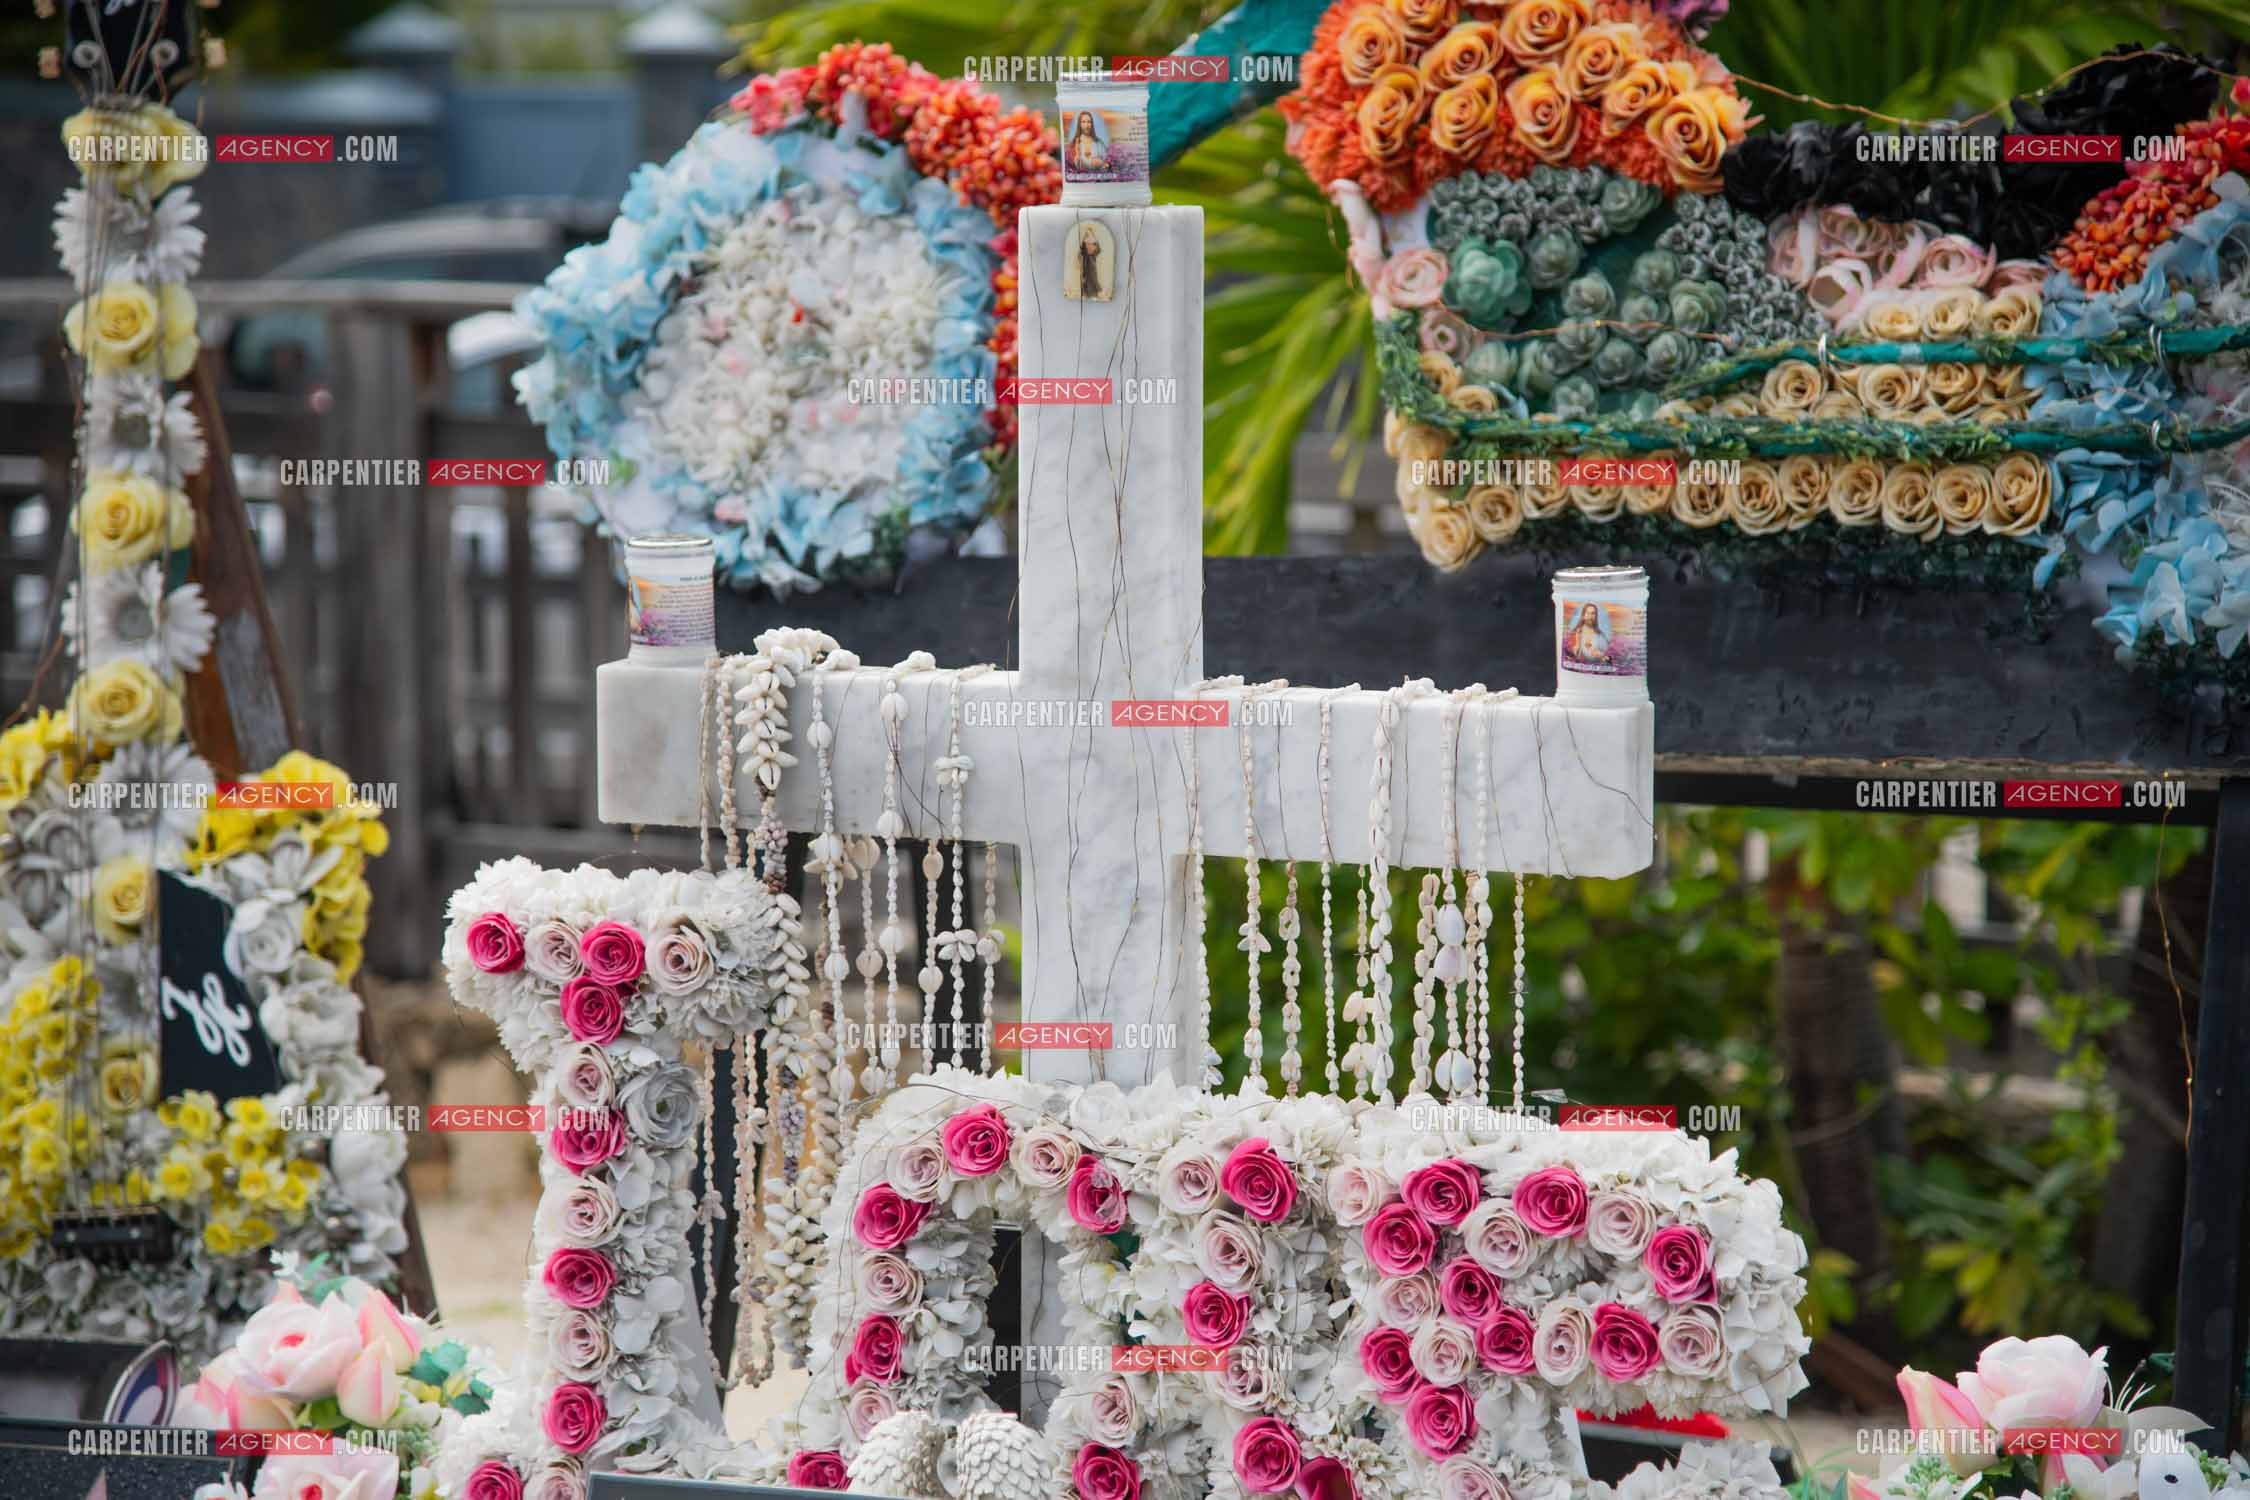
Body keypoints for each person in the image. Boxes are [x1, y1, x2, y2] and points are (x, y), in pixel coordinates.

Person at [1075, 224, 1104, 298]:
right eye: (1087, 245)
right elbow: (1081, 250)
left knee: (1092, 282)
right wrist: (1085, 236)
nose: (1089, 246)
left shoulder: (1093, 252)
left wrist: (1093, 234)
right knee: (1085, 284)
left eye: (1090, 245)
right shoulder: (1084, 251)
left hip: (1092, 270)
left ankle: (1094, 295)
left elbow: (1098, 249)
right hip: (1085, 270)